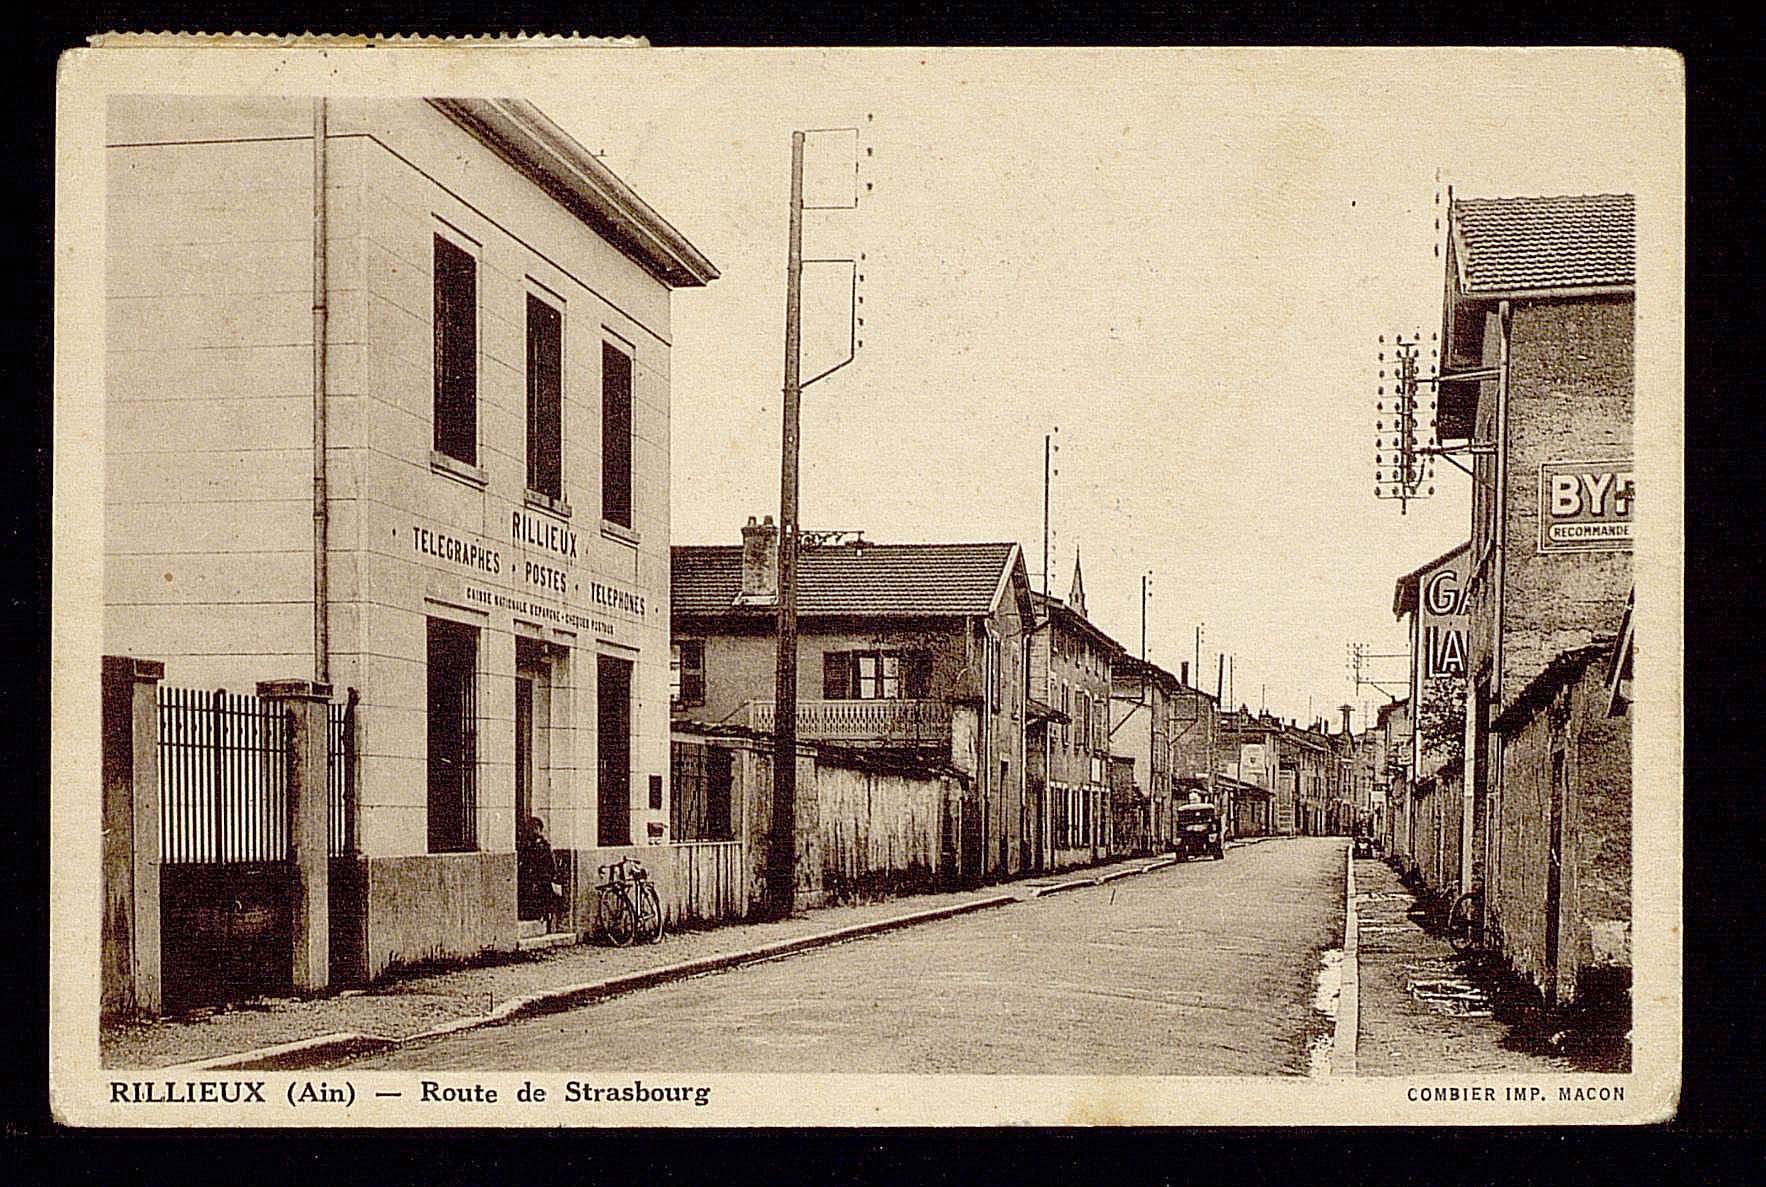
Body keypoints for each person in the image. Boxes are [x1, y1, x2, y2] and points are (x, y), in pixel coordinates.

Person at [518, 816, 565, 928]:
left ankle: (544, 918)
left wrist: (551, 875)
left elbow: (551, 862)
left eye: (534, 828)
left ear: (539, 829)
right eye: (530, 828)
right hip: (530, 875)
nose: (532, 831)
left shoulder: (544, 845)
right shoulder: (527, 844)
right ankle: (531, 915)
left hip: (543, 877)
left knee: (543, 897)